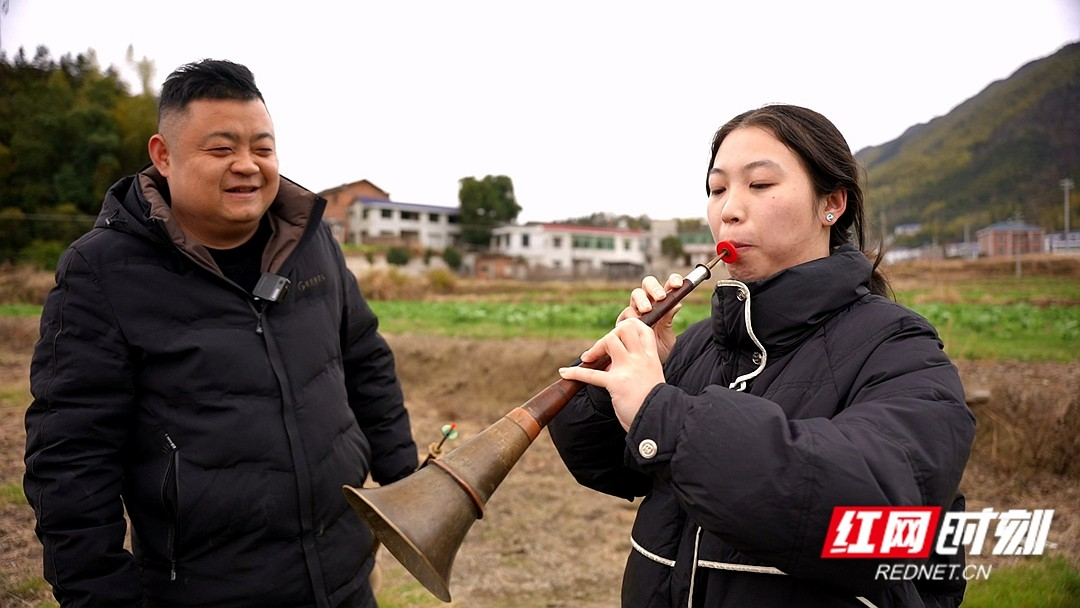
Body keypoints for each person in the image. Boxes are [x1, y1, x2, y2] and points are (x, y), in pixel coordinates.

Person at [24, 59, 417, 608]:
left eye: (263, 148)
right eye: (221, 149)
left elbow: (364, 360)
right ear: (163, 155)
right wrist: (101, 595)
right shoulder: (103, 272)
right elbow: (70, 457)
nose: (248, 167)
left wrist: (409, 487)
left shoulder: (311, 242)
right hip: (208, 590)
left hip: (344, 575)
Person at [549, 104, 976, 608]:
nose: (729, 209)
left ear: (831, 204)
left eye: (760, 185)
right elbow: (605, 466)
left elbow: (874, 512)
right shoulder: (702, 343)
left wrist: (661, 412)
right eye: (717, 189)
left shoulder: (900, 347)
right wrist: (624, 377)